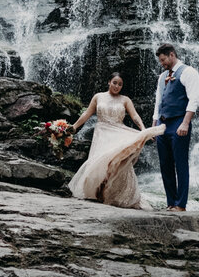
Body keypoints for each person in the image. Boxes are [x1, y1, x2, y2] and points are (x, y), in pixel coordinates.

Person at [67, 72, 165, 209]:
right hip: (102, 133)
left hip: (118, 132)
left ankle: (110, 194)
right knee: (99, 163)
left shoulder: (125, 100)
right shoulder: (98, 97)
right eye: (114, 83)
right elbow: (86, 114)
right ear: (109, 82)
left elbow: (135, 116)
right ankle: (97, 193)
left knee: (115, 163)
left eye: (120, 84)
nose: (117, 86)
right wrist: (74, 127)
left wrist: (143, 129)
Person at [152, 43, 199, 212]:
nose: (162, 63)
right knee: (165, 164)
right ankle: (170, 202)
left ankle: (180, 204)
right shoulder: (162, 76)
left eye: (164, 60)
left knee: (180, 164)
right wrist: (154, 126)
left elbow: (194, 100)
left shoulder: (189, 72)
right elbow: (158, 101)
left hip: (179, 122)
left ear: (172, 55)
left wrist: (185, 123)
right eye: (160, 61)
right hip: (163, 125)